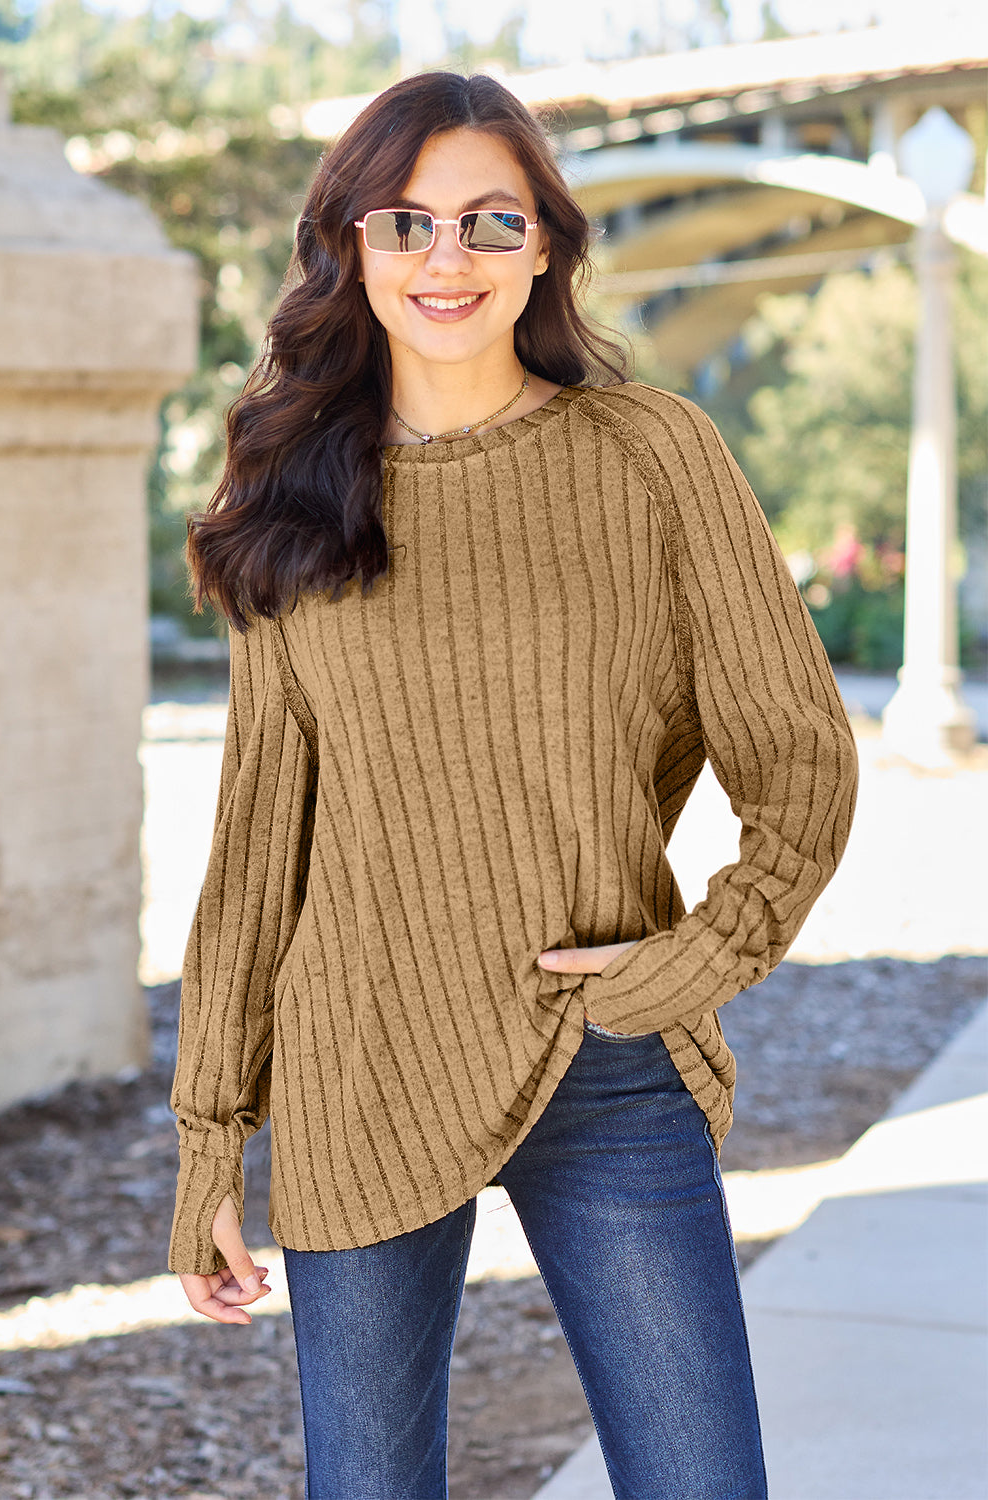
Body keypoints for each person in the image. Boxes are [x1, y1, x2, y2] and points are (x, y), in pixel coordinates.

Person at [169, 70, 858, 1500]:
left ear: (545, 243)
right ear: (350, 248)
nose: (447, 259)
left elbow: (797, 759)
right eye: (405, 222)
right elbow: (258, 850)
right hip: (359, 1060)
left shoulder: (654, 458)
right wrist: (208, 1139)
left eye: (490, 222)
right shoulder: (286, 493)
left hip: (601, 1050)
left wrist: (692, 964)